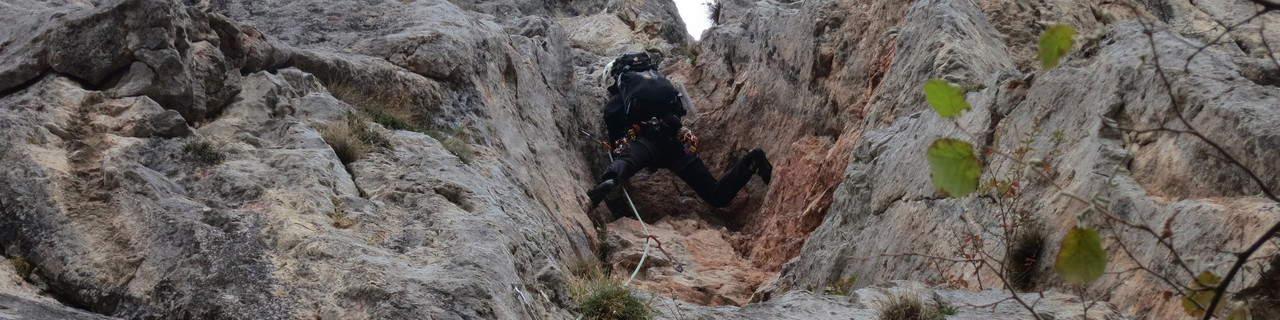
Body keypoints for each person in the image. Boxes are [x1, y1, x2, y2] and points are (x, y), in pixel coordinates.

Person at [587, 51, 772, 210]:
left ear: (613, 82)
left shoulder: (618, 99)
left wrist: (617, 149)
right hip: (676, 143)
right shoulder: (658, 84)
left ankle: (609, 180)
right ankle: (750, 161)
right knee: (716, 196)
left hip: (645, 140)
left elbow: (615, 133)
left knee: (627, 159)